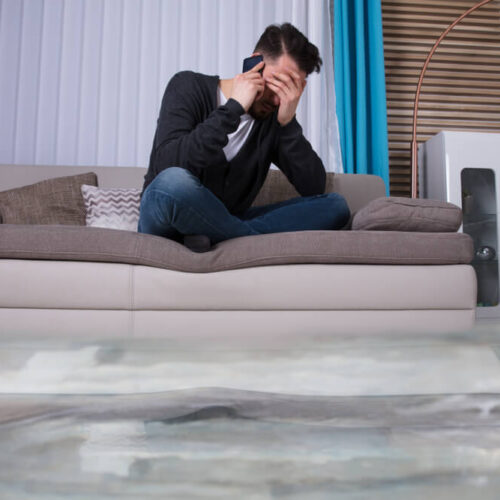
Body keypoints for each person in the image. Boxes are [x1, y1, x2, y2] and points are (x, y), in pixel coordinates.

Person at [138, 23, 350, 252]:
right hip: (165, 217)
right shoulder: (187, 86)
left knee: (335, 206)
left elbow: (314, 187)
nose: (278, 99)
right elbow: (167, 165)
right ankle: (243, 238)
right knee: (172, 184)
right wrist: (234, 108)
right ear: (254, 63)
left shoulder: (274, 121)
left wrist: (287, 124)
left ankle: (222, 236)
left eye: (289, 89)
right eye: (276, 83)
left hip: (227, 218)